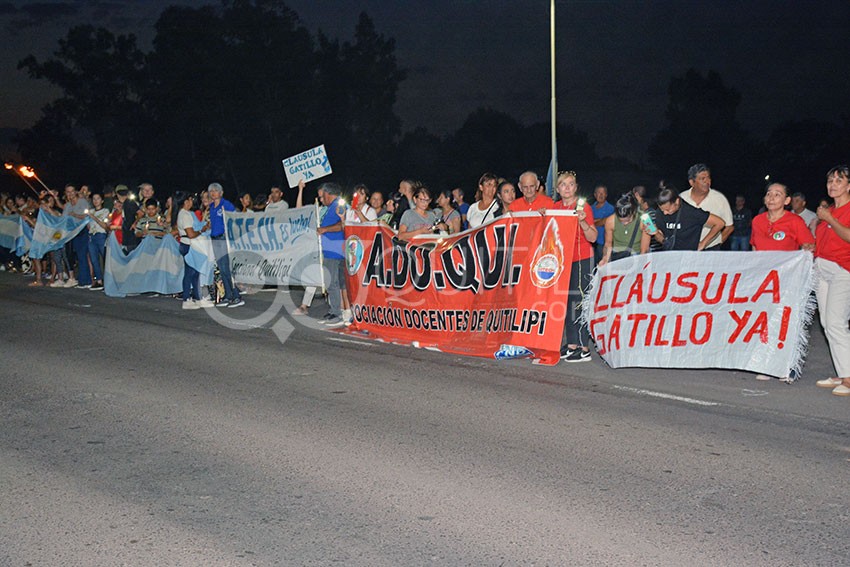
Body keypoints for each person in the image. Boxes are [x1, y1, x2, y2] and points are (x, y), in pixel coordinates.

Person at [812, 166, 850, 396]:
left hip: (842, 271)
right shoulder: (829, 211)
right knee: (827, 323)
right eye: (830, 181)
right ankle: (842, 371)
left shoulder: (835, 213)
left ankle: (848, 378)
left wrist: (829, 219)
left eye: (839, 180)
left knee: (836, 322)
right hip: (822, 270)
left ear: (848, 185)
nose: (833, 184)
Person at [552, 171, 597, 362]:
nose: (567, 188)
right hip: (563, 260)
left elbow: (593, 237)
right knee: (567, 302)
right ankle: (571, 343)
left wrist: (582, 221)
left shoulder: (583, 206)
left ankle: (584, 347)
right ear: (557, 189)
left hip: (582, 258)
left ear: (576, 187)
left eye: (571, 184)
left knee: (580, 302)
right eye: (563, 184)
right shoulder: (555, 207)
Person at [680, 163, 734, 249]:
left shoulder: (719, 199)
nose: (707, 181)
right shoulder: (681, 199)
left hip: (711, 250)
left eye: (708, 178)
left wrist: (716, 243)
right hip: (687, 249)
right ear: (691, 182)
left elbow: (729, 227)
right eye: (702, 179)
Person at [208, 182, 244, 308]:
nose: (213, 193)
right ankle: (228, 295)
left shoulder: (226, 204)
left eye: (215, 191)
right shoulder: (211, 206)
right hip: (215, 238)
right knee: (222, 269)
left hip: (224, 238)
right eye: (211, 191)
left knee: (227, 268)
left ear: (221, 192)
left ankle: (236, 295)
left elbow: (235, 218)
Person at [175, 191, 214, 310]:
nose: (192, 202)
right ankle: (192, 298)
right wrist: (201, 230)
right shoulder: (185, 215)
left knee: (192, 273)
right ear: (186, 201)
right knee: (192, 273)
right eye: (191, 199)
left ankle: (192, 298)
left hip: (186, 244)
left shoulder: (186, 213)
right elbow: (191, 234)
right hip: (189, 245)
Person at [656, 186, 725, 251]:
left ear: (677, 201)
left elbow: (720, 223)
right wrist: (655, 233)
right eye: (662, 210)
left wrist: (703, 243)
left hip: (689, 257)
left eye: (668, 210)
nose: (665, 213)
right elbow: (662, 239)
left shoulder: (691, 212)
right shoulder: (660, 212)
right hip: (669, 256)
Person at [750, 183, 814, 252]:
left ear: (787, 201)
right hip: (762, 262)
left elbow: (810, 246)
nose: (771, 198)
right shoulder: (757, 220)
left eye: (777, 195)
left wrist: (808, 248)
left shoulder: (795, 221)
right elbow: (754, 247)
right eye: (768, 194)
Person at [316, 182, 346, 327]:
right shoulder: (331, 207)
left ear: (328, 194)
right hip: (332, 250)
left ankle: (336, 313)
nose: (321, 200)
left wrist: (325, 229)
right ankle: (335, 310)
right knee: (334, 283)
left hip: (334, 251)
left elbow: (343, 225)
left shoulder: (338, 206)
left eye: (322, 197)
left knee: (332, 282)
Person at [598, 192, 651, 266]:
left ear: (633, 212)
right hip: (618, 256)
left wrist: (640, 265)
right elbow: (608, 243)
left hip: (637, 256)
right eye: (621, 221)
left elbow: (644, 249)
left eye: (628, 220)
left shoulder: (645, 219)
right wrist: (605, 259)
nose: (624, 223)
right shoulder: (610, 221)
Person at [61, 184, 92, 288]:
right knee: (76, 255)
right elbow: (63, 218)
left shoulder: (82, 202)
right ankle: (80, 278)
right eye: (68, 192)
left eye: (72, 191)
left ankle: (86, 281)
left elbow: (86, 215)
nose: (70, 194)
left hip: (82, 230)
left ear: (75, 192)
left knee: (83, 254)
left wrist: (74, 215)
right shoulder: (67, 205)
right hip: (71, 232)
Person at [85, 193, 110, 290]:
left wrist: (92, 217)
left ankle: (107, 279)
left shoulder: (105, 211)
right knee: (94, 259)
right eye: (94, 199)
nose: (96, 201)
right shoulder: (90, 211)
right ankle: (98, 280)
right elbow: (87, 224)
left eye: (98, 198)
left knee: (105, 257)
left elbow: (104, 225)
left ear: (102, 200)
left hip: (101, 235)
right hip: (92, 236)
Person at [590, 184, 614, 263]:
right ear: (595, 194)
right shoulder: (590, 207)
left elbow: (605, 222)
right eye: (598, 193)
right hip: (591, 243)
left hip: (603, 243)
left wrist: (592, 222)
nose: (600, 195)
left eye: (602, 193)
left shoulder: (610, 208)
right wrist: (599, 221)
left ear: (606, 195)